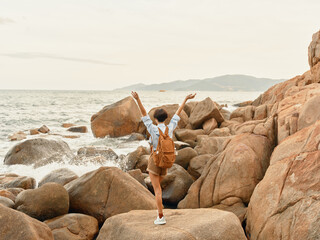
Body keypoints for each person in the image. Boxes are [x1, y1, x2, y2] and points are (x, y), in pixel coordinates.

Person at [131, 91, 196, 225]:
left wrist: (137, 99)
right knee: (158, 186)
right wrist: (185, 99)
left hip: (155, 161)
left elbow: (143, 114)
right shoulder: (170, 128)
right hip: (166, 162)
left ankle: (160, 216)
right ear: (165, 118)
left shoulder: (153, 129)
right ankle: (160, 213)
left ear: (155, 118)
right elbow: (178, 114)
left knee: (157, 190)